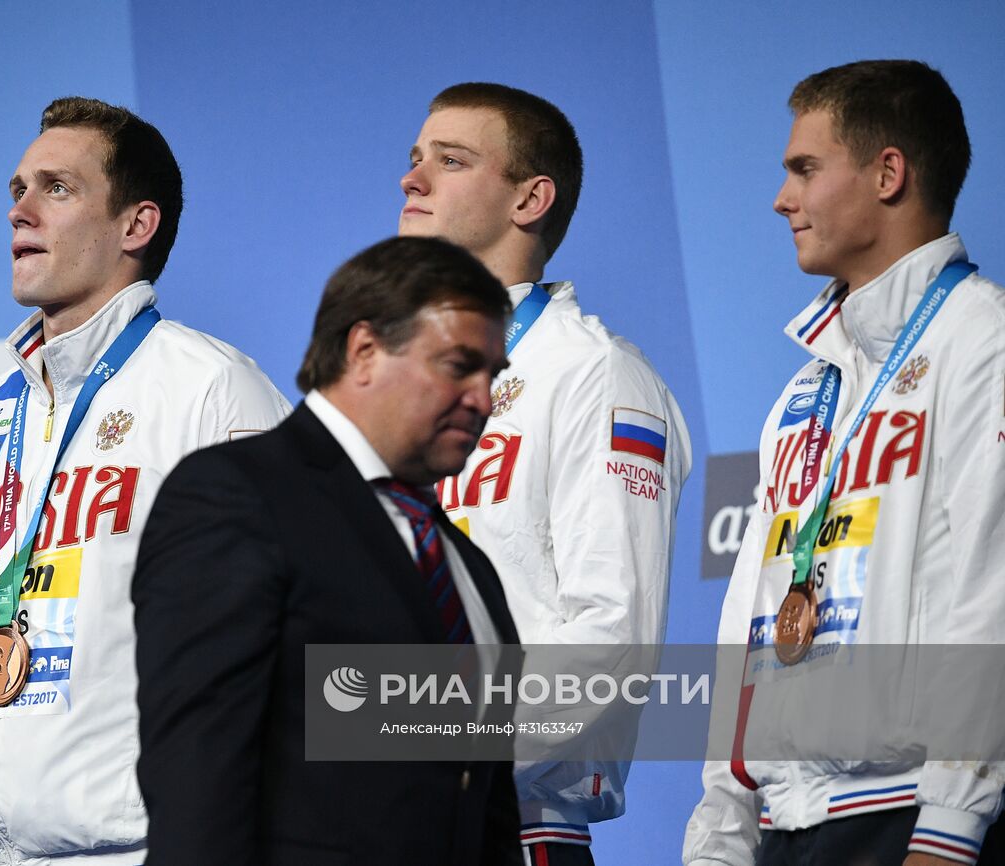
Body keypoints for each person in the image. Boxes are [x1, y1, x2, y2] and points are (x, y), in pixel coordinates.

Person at [0, 96, 289, 866]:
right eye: (17, 188)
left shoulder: (212, 390)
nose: (21, 209)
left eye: (57, 188)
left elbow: (283, 633)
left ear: (136, 226)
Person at [684, 60, 1005, 866]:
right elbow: (748, 620)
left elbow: (990, 594)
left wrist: (951, 828)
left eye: (804, 169)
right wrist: (722, 831)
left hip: (913, 824)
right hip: (785, 827)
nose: (781, 198)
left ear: (888, 172)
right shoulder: (805, 390)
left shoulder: (984, 342)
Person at [134, 235, 522, 866]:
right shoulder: (237, 495)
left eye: (492, 375)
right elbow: (198, 778)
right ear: (364, 351)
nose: (484, 398)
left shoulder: (467, 567)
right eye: (458, 366)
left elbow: (487, 810)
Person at [398, 82, 691, 864]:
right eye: (414, 159)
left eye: (450, 161)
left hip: (512, 826)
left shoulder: (593, 373)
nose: (412, 179)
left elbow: (607, 642)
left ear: (531, 198)